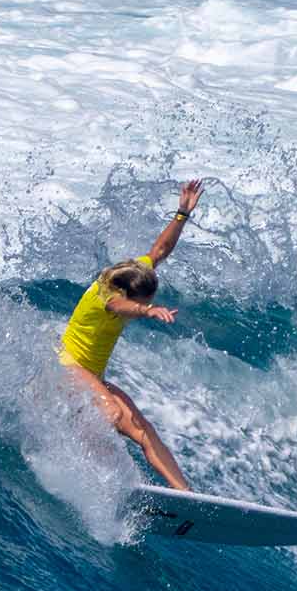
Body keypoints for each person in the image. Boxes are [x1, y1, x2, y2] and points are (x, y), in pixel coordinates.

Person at [57, 179, 202, 491]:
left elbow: (159, 250)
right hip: (65, 367)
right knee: (108, 412)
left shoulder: (133, 272)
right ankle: (97, 480)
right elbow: (121, 306)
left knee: (142, 430)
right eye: (143, 301)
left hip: (91, 373)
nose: (145, 305)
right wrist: (148, 312)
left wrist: (181, 214)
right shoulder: (106, 296)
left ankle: (186, 494)